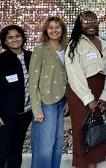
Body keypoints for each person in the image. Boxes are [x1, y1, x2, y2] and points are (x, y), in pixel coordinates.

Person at [65, 11, 106, 168]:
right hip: (81, 96)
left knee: (97, 137)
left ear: (98, 23)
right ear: (80, 24)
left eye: (94, 21)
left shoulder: (104, 44)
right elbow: (75, 76)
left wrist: (104, 98)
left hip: (100, 95)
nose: (90, 25)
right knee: (83, 136)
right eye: (86, 22)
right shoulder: (74, 45)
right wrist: (89, 99)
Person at [0, 25, 32, 168]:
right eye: (10, 37)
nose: (15, 40)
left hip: (25, 113)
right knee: (2, 151)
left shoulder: (31, 57)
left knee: (16, 151)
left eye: (17, 36)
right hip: (6, 115)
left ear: (23, 37)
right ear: (5, 42)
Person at [29, 17, 70, 168]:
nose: (54, 30)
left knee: (57, 144)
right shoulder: (40, 50)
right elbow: (32, 82)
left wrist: (69, 100)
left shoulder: (67, 49)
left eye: (57, 27)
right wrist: (36, 108)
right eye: (50, 27)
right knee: (44, 147)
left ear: (62, 30)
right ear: (46, 30)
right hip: (46, 103)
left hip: (61, 102)